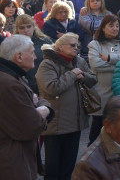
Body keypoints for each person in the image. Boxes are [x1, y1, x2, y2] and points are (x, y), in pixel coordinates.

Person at [36, 33, 97, 180]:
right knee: (53, 167)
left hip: (75, 123)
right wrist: (72, 74)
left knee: (69, 165)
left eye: (77, 45)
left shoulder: (79, 61)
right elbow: (51, 88)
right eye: (72, 45)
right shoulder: (48, 64)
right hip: (56, 124)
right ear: (60, 46)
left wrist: (84, 76)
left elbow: (93, 79)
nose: (76, 48)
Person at [0, 35, 54, 179]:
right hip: (12, 164)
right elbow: (31, 126)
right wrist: (45, 109)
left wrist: (37, 105)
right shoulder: (9, 84)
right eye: (32, 53)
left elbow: (35, 100)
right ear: (19, 57)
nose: (35, 57)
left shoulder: (13, 77)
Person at [86, 14, 120, 145]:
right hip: (101, 92)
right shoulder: (95, 44)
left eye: (117, 26)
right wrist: (119, 66)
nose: (114, 28)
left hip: (119, 92)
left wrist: (109, 58)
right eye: (111, 26)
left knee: (116, 129)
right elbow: (96, 65)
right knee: (97, 130)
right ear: (103, 27)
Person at [14, 14, 53, 94]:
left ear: (34, 27)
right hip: (24, 86)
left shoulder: (44, 41)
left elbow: (55, 60)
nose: (26, 30)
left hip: (46, 83)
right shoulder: (13, 44)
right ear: (17, 29)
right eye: (22, 28)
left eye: (29, 27)